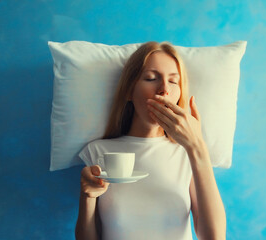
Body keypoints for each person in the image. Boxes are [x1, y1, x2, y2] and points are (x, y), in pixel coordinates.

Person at [75, 41, 226, 240]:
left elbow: (214, 237)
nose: (164, 89)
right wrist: (88, 196)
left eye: (174, 81)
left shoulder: (186, 154)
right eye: (151, 78)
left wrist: (196, 146)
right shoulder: (98, 151)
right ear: (129, 90)